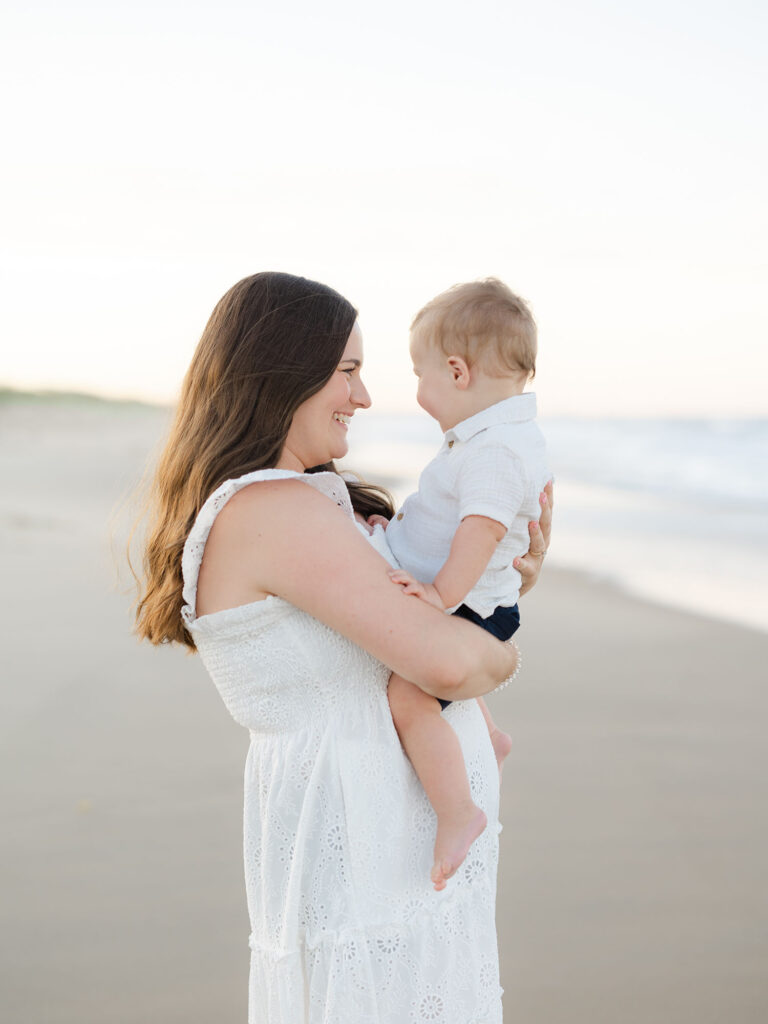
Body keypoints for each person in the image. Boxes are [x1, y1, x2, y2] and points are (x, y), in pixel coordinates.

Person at [134, 271, 551, 1024]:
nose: (362, 397)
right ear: (282, 371)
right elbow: (450, 662)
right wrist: (503, 651)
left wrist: (506, 592)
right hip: (366, 857)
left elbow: (427, 634)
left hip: (395, 862)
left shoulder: (310, 503)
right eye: (348, 372)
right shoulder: (273, 510)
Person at [375, 279, 551, 893]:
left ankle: (458, 813)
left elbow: (481, 530)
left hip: (471, 604)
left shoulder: (496, 451)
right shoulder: (492, 439)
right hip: (475, 600)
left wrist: (441, 596)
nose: (417, 391)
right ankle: (492, 736)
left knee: (408, 697)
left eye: (418, 375)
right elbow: (450, 515)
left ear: (456, 372)